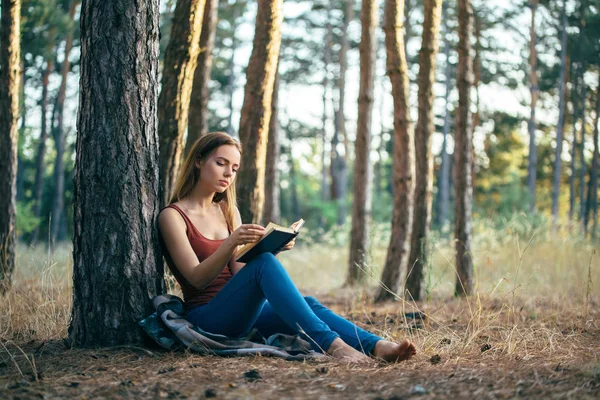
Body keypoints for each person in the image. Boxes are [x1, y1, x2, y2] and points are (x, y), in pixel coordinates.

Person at [158, 131, 417, 363]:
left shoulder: (228, 211)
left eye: (235, 168)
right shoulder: (173, 216)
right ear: (198, 161)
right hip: (207, 317)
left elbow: (240, 272)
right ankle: (335, 346)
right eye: (221, 163)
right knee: (266, 266)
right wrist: (230, 244)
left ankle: (377, 346)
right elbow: (196, 279)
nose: (228, 174)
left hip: (243, 312)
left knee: (309, 304)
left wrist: (273, 247)